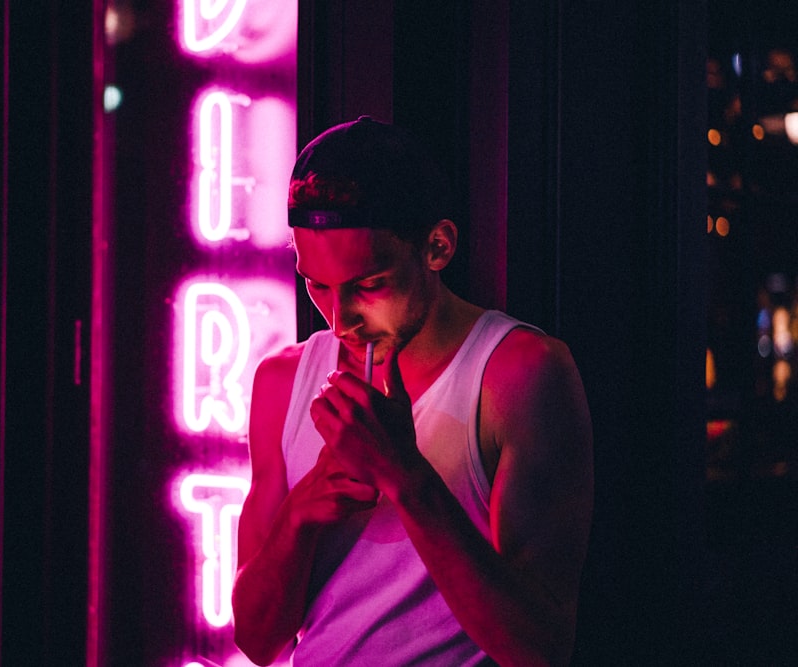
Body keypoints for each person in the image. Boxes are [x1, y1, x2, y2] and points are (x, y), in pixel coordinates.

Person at [231, 116, 593, 667]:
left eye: (369, 285)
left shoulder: (518, 372)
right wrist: (304, 508)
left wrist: (406, 476)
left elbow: (539, 649)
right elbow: (257, 642)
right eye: (317, 286)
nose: (340, 318)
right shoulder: (283, 381)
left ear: (437, 247)